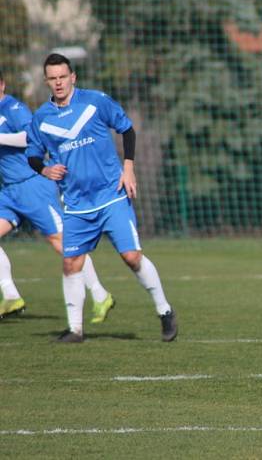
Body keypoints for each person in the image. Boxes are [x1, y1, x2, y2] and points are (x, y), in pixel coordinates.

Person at [25, 53, 177, 343]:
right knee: (71, 263)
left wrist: (129, 168)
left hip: (111, 195)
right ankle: (75, 330)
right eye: (52, 78)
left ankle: (165, 311)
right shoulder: (42, 118)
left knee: (131, 257)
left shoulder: (95, 101)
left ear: (73, 77)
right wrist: (44, 169)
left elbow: (127, 129)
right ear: (47, 81)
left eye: (62, 77)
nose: (58, 83)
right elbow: (32, 154)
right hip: (76, 204)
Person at [0, 70, 114, 323]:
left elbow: (28, 139)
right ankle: (10, 295)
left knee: (63, 243)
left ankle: (99, 294)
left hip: (33, 186)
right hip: (9, 191)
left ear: (2, 85)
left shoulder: (12, 107)